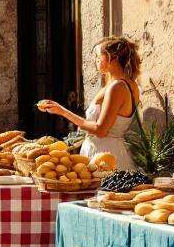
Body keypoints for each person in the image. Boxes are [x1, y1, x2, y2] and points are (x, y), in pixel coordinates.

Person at [39, 36, 142, 171]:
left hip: (105, 157)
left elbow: (101, 130)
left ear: (113, 58)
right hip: (105, 151)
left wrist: (63, 112)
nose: (96, 60)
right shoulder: (126, 83)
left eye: (99, 56)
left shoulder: (117, 87)